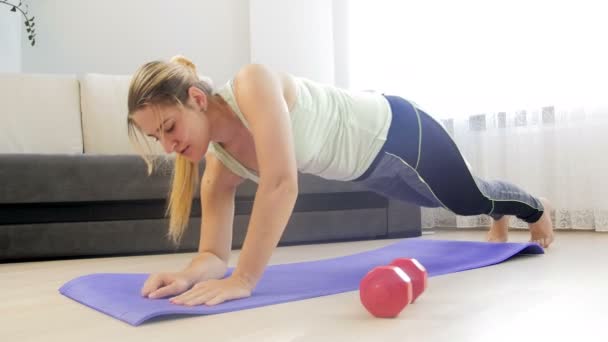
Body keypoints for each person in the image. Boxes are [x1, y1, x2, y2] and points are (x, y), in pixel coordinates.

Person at [127, 55, 554, 307]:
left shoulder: (251, 84)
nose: (167, 145)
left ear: (197, 100)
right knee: (453, 200)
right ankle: (496, 212)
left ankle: (535, 207)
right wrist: (187, 275)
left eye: (169, 127)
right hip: (368, 169)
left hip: (397, 131)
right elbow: (213, 255)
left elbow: (281, 182)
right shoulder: (218, 171)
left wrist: (244, 281)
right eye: (156, 137)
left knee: (466, 197)